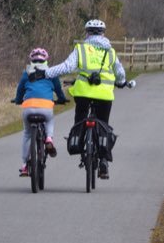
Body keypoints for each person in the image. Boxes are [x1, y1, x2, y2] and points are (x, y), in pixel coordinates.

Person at [43, 19, 127, 179]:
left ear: (87, 33)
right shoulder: (110, 51)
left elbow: (66, 66)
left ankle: (80, 142)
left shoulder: (81, 49)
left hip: (83, 93)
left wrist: (46, 73)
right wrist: (122, 82)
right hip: (104, 94)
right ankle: (103, 161)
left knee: (80, 118)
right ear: (103, 34)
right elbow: (120, 73)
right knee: (104, 125)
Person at [13, 47, 68, 177]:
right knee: (49, 120)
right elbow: (58, 90)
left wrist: (17, 100)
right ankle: (49, 138)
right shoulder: (51, 72)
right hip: (45, 107)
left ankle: (25, 166)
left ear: (31, 60)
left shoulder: (27, 72)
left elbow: (20, 89)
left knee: (27, 134)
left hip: (29, 107)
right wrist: (61, 99)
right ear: (45, 60)